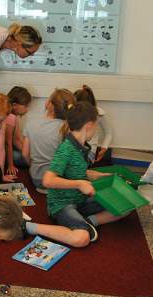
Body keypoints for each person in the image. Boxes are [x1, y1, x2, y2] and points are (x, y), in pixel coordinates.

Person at [43, 102, 127, 244]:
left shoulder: (81, 146)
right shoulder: (66, 149)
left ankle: (89, 221)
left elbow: (79, 172)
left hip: (80, 200)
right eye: (96, 126)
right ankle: (32, 227)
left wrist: (102, 176)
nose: (96, 130)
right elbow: (48, 180)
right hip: (62, 204)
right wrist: (79, 184)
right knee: (83, 238)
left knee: (124, 205)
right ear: (89, 125)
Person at [22, 89, 76, 193]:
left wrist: (32, 166)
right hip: (59, 179)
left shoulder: (31, 123)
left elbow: (25, 154)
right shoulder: (67, 128)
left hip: (36, 179)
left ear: (49, 104)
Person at [74, 85, 113, 166]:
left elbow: (108, 132)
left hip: (89, 152)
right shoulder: (72, 112)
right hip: (73, 148)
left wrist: (104, 147)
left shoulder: (99, 114)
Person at [3, 86, 32, 177]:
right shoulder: (10, 118)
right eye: (25, 106)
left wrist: (30, 152)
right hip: (2, 151)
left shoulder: (14, 117)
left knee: (29, 154)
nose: (27, 109)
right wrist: (10, 165)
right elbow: (8, 143)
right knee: (24, 157)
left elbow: (17, 139)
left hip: (9, 148)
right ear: (15, 105)